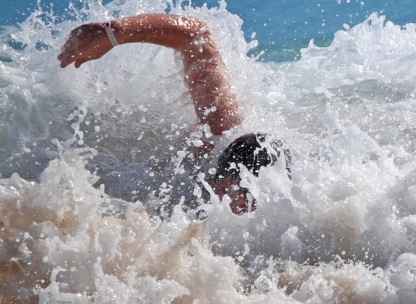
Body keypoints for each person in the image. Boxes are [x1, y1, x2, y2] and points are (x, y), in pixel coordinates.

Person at [57, 14, 287, 214]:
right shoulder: (220, 131)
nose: (233, 207)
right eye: (227, 191)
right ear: (224, 178)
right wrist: (114, 32)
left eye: (250, 206)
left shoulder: (288, 207)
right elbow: (196, 36)